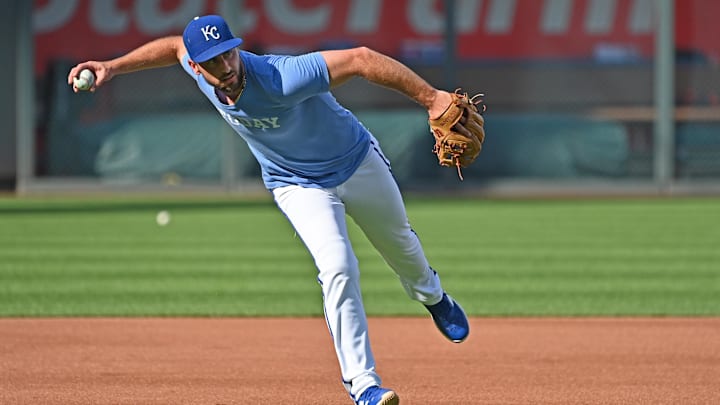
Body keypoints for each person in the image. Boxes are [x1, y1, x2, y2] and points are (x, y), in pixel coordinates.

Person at [68, 14, 470, 405]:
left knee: (401, 247)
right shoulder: (196, 69)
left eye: (228, 53)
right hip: (296, 184)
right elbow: (173, 45)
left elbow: (361, 58)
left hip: (356, 161)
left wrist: (431, 98)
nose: (225, 66)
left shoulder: (281, 76)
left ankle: (433, 297)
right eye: (212, 60)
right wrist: (112, 67)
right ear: (196, 66)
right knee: (337, 267)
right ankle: (364, 385)